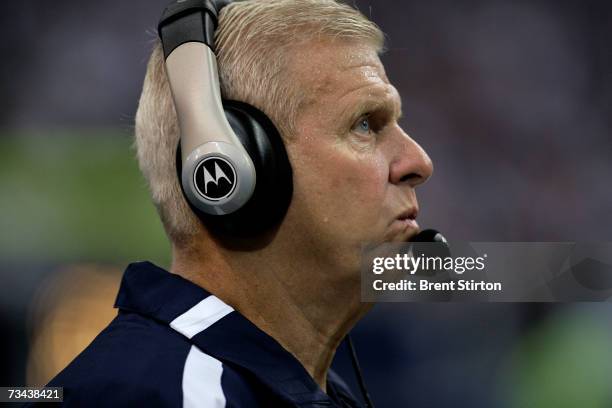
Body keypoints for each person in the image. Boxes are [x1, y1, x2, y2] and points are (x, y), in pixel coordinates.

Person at [42, 0, 433, 406]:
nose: (419, 163)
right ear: (233, 169)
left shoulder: (292, 389)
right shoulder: (162, 395)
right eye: (365, 123)